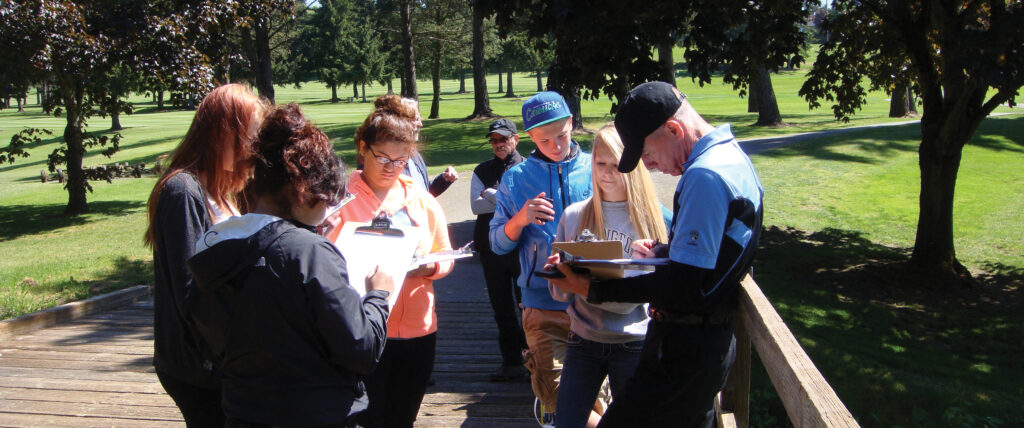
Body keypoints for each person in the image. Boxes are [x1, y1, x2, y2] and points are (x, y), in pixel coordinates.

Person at [546, 81, 764, 428]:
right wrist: (667, 251)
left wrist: (594, 289)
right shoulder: (731, 157)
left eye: (647, 153)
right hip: (705, 343)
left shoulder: (704, 175)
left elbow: (685, 284)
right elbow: (717, 254)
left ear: (673, 129)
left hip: (683, 352)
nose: (649, 165)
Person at [186, 103, 392, 427]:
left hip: (245, 413)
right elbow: (361, 348)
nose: (330, 212)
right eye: (326, 201)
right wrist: (379, 296)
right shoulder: (308, 252)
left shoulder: (214, 245)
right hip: (317, 414)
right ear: (303, 191)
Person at [323, 101, 455, 428]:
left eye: (400, 160)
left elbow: (445, 254)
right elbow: (320, 261)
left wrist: (428, 268)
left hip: (417, 329)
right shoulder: (337, 199)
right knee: (366, 419)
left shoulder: (421, 200)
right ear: (362, 148)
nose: (390, 167)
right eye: (382, 157)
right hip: (360, 329)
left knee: (402, 419)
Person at [143, 83, 268, 426]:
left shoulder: (228, 190)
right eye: (250, 137)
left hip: (224, 357)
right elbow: (190, 290)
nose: (254, 149)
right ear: (223, 133)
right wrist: (235, 355)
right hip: (197, 365)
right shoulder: (181, 191)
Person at [549, 124, 671, 428]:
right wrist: (559, 275)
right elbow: (559, 296)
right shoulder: (574, 215)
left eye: (616, 165)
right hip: (583, 339)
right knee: (567, 422)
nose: (606, 173)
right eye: (600, 164)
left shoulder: (658, 219)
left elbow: (663, 292)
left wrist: (648, 265)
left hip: (633, 341)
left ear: (632, 166)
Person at [489, 91, 593, 425]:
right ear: (529, 138)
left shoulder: (597, 168)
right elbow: (496, 244)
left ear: (572, 123)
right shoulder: (516, 178)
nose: (556, 145)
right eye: (545, 139)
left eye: (562, 135)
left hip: (597, 304)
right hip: (542, 306)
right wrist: (519, 219)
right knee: (556, 400)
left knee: (598, 399)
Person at [470, 118, 528, 382]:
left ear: (516, 139)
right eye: (493, 140)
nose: (498, 145)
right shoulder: (481, 169)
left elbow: (527, 207)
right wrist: (507, 200)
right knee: (501, 306)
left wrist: (493, 195)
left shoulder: (528, 167)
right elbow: (476, 206)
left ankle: (532, 360)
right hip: (489, 248)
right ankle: (511, 362)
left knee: (526, 304)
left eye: (503, 139)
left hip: (522, 246)